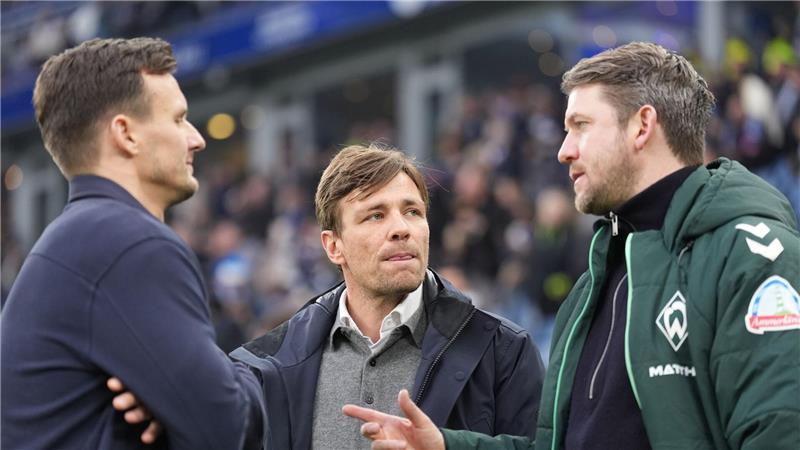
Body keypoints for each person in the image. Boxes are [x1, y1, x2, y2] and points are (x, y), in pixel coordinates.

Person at [343, 41, 800, 449]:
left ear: (642, 126)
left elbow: (780, 430)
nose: (564, 150)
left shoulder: (750, 258)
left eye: (580, 125)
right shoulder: (591, 288)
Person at [0, 38, 264, 450]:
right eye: (178, 119)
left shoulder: (79, 239)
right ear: (126, 134)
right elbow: (228, 429)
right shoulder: (129, 244)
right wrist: (232, 379)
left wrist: (172, 403)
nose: (196, 139)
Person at [227, 144, 544, 449]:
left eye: (412, 211)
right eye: (375, 215)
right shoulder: (266, 368)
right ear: (333, 246)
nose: (401, 228)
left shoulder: (504, 351)